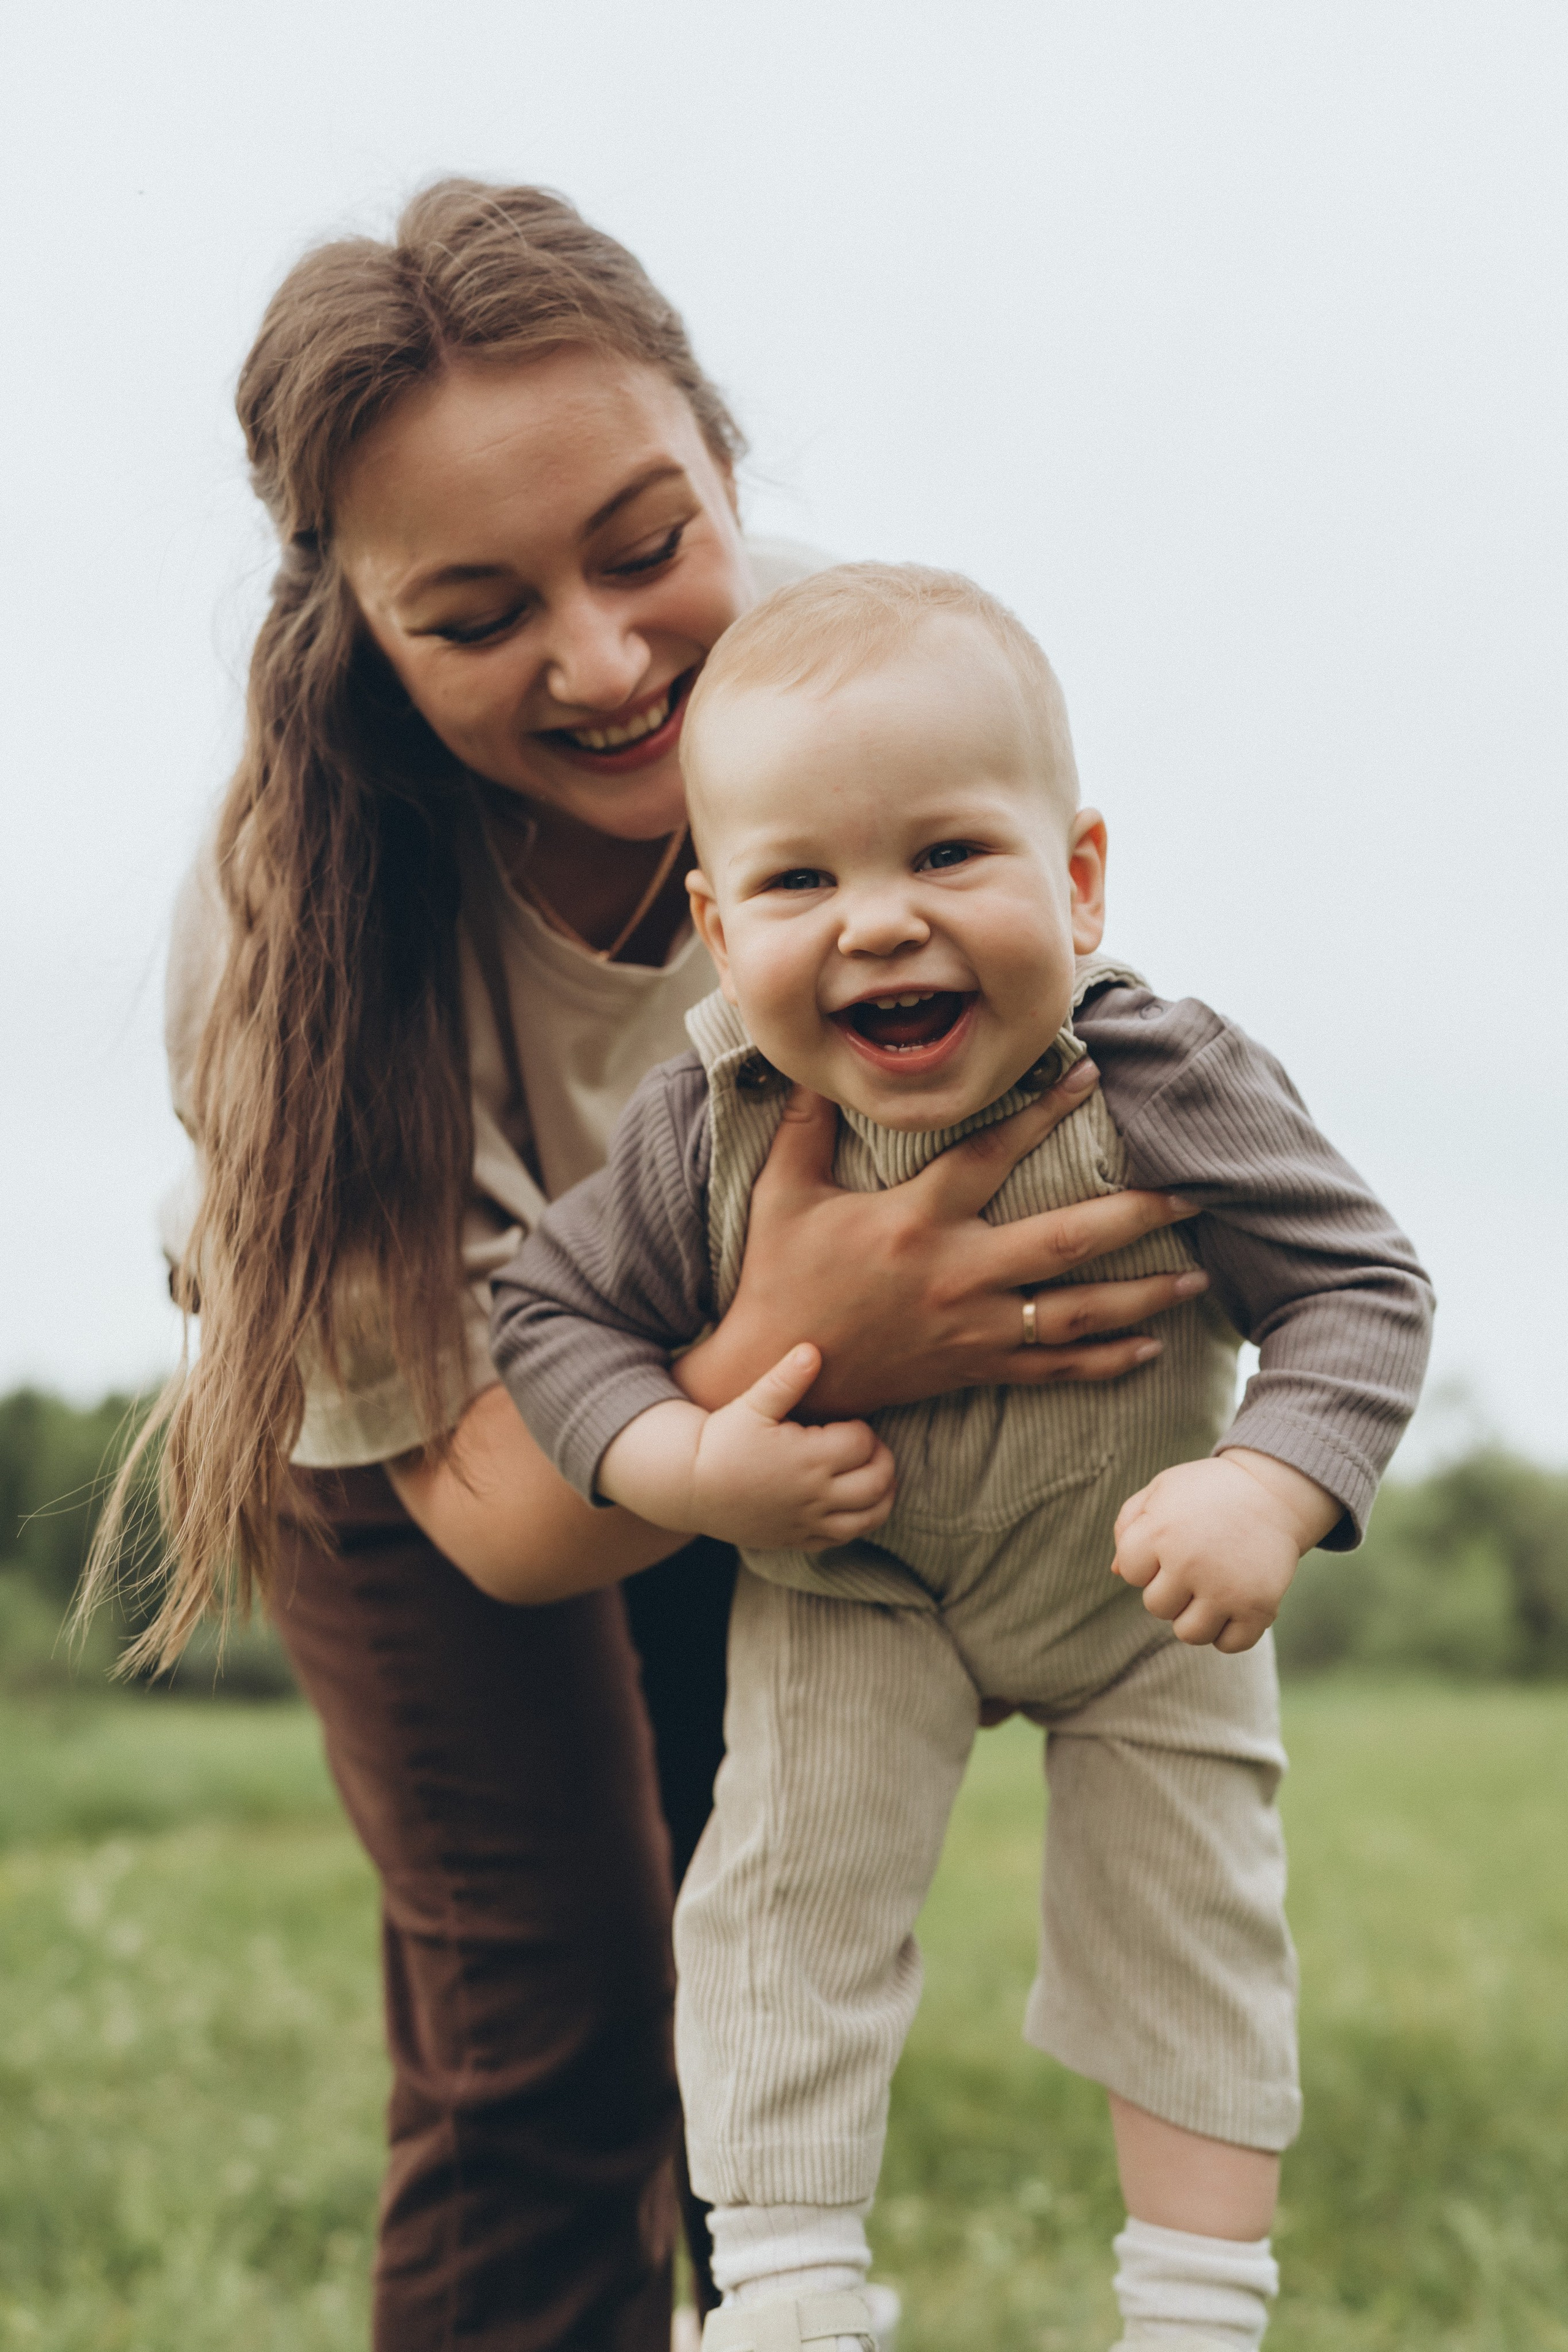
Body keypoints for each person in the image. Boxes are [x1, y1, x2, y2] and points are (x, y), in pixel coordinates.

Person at [85, 185, 1218, 2352]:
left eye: (643, 545)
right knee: (561, 2004)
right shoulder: (284, 939)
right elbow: (510, 1526)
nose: (605, 662)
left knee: (761, 1963)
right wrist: (809, 1323)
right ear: (361, 627)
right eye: (478, 610)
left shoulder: (856, 688)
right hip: (433, 1452)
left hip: (790, 1396)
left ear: (718, 455)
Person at [489, 564, 1435, 2352]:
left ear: (1076, 879)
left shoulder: (1166, 1074)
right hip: (859, 1586)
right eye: (797, 880)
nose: (877, 926)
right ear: (713, 919)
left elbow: (1363, 1287)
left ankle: (1197, 2303)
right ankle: (783, 2293)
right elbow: (549, 1326)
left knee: (1194, 1910)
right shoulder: (705, 1125)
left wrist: (1269, 1482)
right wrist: (689, 1468)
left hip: (1142, 1582)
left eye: (945, 857)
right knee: (782, 1894)